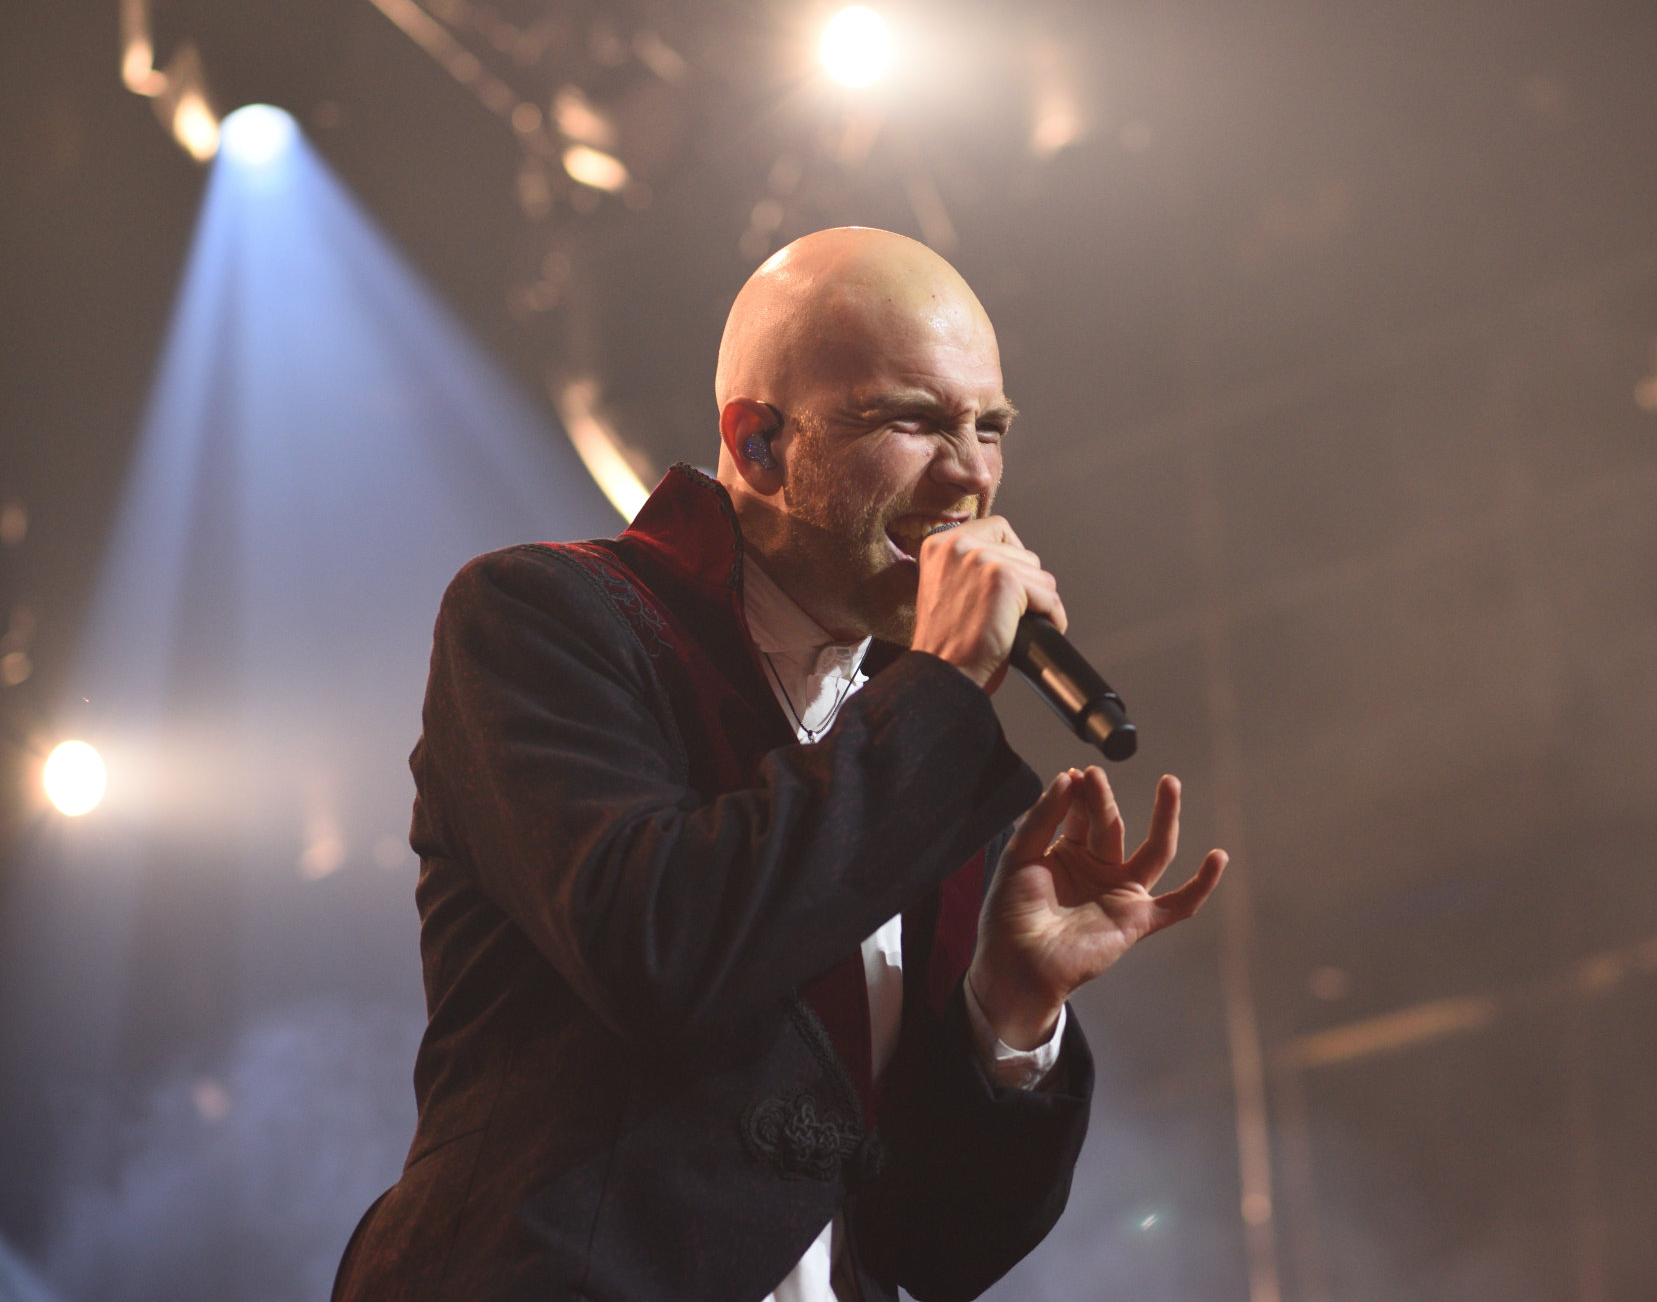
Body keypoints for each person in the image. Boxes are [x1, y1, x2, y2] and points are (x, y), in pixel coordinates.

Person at [332, 227, 1228, 1302]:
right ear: (757, 443)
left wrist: (1009, 1007)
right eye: (916, 421)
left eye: (989, 428)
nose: (972, 475)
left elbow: (940, 1254)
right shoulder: (547, 617)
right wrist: (937, 691)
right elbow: (661, 948)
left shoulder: (923, 741)